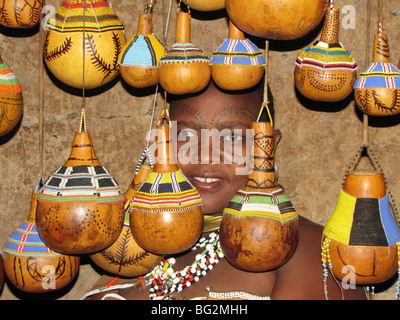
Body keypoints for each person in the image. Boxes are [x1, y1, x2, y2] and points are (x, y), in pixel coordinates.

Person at [85, 79, 366, 300]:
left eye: (232, 136)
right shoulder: (128, 244)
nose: (206, 156)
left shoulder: (301, 246)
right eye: (185, 134)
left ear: (267, 145)